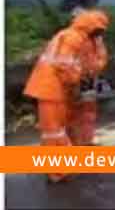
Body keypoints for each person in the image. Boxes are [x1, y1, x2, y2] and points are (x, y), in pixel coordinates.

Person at [23, 11, 108, 183]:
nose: (99, 34)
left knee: (59, 128)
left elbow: (78, 65)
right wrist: (77, 81)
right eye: (98, 30)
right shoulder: (73, 38)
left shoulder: (76, 36)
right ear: (90, 26)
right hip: (50, 88)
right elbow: (65, 65)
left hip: (54, 88)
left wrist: (79, 80)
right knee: (54, 132)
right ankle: (58, 172)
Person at [68, 11, 109, 146]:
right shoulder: (72, 37)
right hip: (75, 78)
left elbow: (102, 56)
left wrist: (95, 69)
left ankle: (87, 141)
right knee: (73, 111)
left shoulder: (96, 39)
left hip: (89, 79)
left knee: (88, 110)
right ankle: (74, 142)